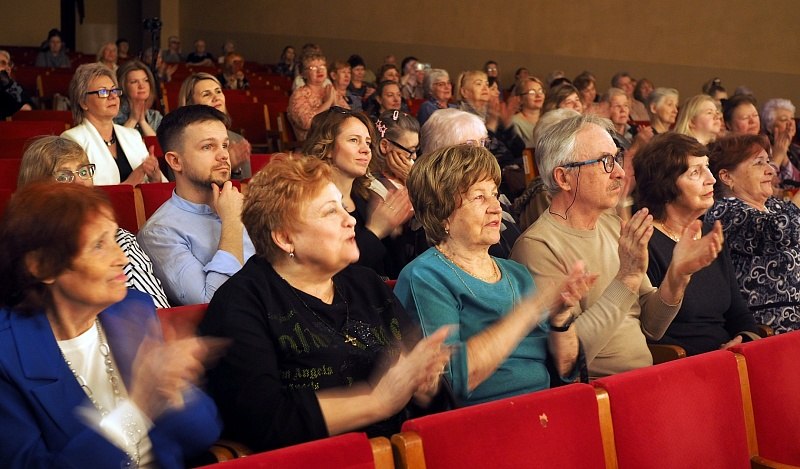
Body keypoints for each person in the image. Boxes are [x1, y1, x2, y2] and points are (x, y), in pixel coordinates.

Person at [199, 155, 452, 451]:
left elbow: (425, 393)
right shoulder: (241, 303)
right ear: (284, 237)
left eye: (344, 208)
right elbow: (261, 420)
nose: (351, 220)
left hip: (404, 451)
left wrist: (425, 385)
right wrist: (376, 401)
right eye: (331, 212)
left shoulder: (366, 283)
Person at [0, 182, 220, 468]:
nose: (122, 258)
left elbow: (201, 435)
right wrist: (139, 407)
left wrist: (178, 390)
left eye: (115, 239)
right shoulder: (7, 355)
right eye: (99, 245)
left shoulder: (132, 308)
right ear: (42, 266)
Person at [510, 114, 723, 378]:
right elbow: (569, 360)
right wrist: (626, 279)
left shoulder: (611, 225)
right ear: (564, 178)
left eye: (616, 158)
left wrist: (678, 275)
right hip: (596, 393)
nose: (621, 173)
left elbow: (651, 327)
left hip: (642, 379)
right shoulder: (538, 247)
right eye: (605, 162)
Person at [395, 144, 594, 406]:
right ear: (441, 211)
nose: (496, 207)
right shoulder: (426, 276)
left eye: (495, 194)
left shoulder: (517, 273)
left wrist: (560, 318)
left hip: (546, 410)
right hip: (483, 424)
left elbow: (567, 373)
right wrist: (530, 310)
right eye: (479, 197)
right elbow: (451, 381)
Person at [634, 132, 760, 355]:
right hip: (683, 364)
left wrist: (743, 339)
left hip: (729, 358)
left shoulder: (710, 233)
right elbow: (654, 331)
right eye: (695, 172)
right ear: (665, 185)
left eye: (707, 167)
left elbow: (738, 312)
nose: (711, 178)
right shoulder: (644, 241)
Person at [17, 135, 170, 309]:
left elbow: (157, 313)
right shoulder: (18, 248)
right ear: (36, 187)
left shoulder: (119, 241)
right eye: (64, 176)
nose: (80, 181)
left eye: (83, 172)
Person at [137, 105, 256, 305]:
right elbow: (212, 303)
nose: (223, 156)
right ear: (175, 161)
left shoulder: (245, 205)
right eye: (208, 147)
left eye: (225, 145)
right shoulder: (159, 233)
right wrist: (232, 223)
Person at [705, 134, 800, 334]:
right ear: (727, 176)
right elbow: (779, 232)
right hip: (769, 325)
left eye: (768, 161)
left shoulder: (774, 205)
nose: (770, 170)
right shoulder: (723, 212)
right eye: (758, 163)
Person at [303, 107, 413, 276]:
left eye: (368, 142)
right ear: (328, 147)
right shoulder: (311, 203)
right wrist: (376, 231)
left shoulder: (366, 198)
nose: (366, 149)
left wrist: (395, 232)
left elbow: (393, 268)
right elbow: (331, 273)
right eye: (354, 140)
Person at [420, 108, 523, 258]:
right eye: (469, 147)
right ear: (441, 155)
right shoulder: (435, 208)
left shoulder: (494, 193)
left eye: (483, 143)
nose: (482, 153)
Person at [62, 63, 165, 185]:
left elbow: (161, 186)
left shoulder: (133, 135)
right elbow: (79, 196)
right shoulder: (71, 140)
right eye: (103, 92)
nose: (112, 96)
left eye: (114, 90)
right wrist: (129, 183)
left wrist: (155, 177)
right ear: (83, 102)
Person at [178, 72, 252, 179]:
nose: (216, 97)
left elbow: (246, 189)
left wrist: (234, 170)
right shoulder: (183, 142)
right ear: (190, 104)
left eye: (218, 91)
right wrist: (227, 165)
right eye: (206, 94)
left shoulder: (237, 140)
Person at [287, 52, 344, 141]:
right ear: (304, 73)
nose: (319, 71)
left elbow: (347, 119)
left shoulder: (330, 91)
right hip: (311, 145)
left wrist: (335, 103)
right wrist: (328, 103)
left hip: (335, 140)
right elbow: (307, 123)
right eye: (313, 68)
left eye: (322, 66)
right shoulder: (299, 94)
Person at [114, 59, 163, 137]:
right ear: (123, 86)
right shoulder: (114, 115)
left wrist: (143, 122)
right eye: (134, 82)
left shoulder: (155, 117)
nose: (142, 86)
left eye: (146, 80)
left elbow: (158, 148)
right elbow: (115, 146)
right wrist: (133, 120)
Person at [761, 98, 799, 183]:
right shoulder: (761, 150)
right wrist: (779, 155)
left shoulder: (797, 150)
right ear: (769, 126)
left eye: (792, 118)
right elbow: (766, 181)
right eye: (784, 119)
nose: (791, 124)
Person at [510, 77, 546, 147]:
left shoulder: (550, 118)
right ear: (520, 98)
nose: (538, 95)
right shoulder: (514, 122)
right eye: (532, 92)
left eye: (540, 91)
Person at [0, 50, 34, 119]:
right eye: (3, 63)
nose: (8, 67)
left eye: (9, 64)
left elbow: (28, 106)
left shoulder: (15, 86)